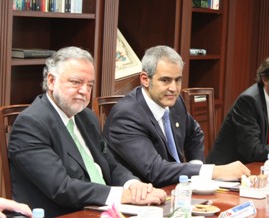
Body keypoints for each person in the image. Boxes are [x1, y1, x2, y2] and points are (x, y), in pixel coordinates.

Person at [8, 47, 166, 217]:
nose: (84, 91)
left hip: (103, 209)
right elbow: (61, 188)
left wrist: (132, 185)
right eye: (76, 82)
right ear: (52, 81)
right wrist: (123, 195)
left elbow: (111, 166)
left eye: (89, 85)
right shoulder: (31, 124)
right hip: (66, 213)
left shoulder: (87, 117)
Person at [103, 45, 250, 187]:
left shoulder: (175, 101)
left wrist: (196, 167)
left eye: (178, 80)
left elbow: (195, 133)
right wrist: (212, 171)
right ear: (145, 79)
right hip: (146, 193)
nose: (173, 88)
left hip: (179, 188)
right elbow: (155, 170)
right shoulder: (126, 115)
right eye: (165, 80)